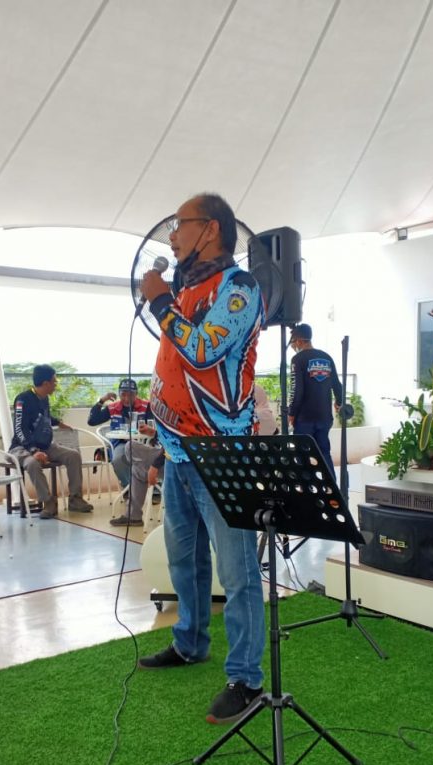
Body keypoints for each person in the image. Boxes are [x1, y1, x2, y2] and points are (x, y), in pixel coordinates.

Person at [137, 192, 266, 726]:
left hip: (222, 456)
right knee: (184, 560)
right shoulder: (187, 289)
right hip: (178, 454)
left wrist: (160, 303)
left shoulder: (240, 287)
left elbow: (204, 350)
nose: (171, 235)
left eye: (179, 224)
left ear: (210, 229)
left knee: (238, 574)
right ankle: (190, 642)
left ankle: (246, 679)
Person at [9, 364, 93, 519]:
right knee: (32, 464)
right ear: (46, 383)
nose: (56, 384)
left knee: (73, 455)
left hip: (45, 446)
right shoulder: (23, 399)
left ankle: (75, 499)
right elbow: (19, 429)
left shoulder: (44, 398)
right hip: (22, 447)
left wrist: (58, 423)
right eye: (54, 381)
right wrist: (34, 451)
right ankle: (48, 501)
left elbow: (43, 417)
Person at [287, 323, 343, 472]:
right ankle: (332, 486)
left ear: (299, 341)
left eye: (293, 343)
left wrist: (292, 412)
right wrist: (339, 402)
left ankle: (306, 486)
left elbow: (297, 390)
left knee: (302, 456)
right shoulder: (327, 357)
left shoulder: (297, 359)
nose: (293, 346)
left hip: (305, 418)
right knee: (324, 453)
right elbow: (337, 385)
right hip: (325, 417)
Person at [87, 379, 155, 489]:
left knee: (155, 458)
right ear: (119, 394)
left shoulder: (146, 406)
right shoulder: (113, 408)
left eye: (131, 395)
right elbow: (92, 421)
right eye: (123, 394)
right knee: (118, 460)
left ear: (136, 394)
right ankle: (129, 488)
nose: (127, 398)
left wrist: (148, 430)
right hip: (121, 444)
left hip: (143, 443)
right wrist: (102, 400)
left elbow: (154, 426)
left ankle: (155, 489)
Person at [109, 440, 164, 527]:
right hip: (159, 452)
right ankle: (133, 516)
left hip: (172, 458)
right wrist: (153, 435)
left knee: (131, 449)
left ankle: (133, 516)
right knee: (136, 466)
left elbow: (171, 445)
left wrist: (155, 466)